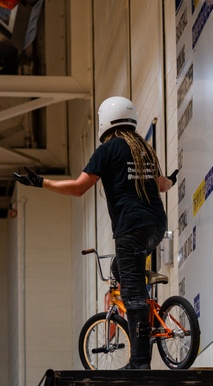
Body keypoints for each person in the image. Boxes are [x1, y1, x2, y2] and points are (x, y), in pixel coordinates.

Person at [13, 96, 176, 369]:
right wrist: (172, 179)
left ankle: (139, 361)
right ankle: (148, 304)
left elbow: (78, 188)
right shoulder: (144, 149)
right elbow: (161, 185)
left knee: (132, 296)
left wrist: (41, 182)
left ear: (104, 122)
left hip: (131, 228)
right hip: (156, 226)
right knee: (120, 267)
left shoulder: (109, 150)